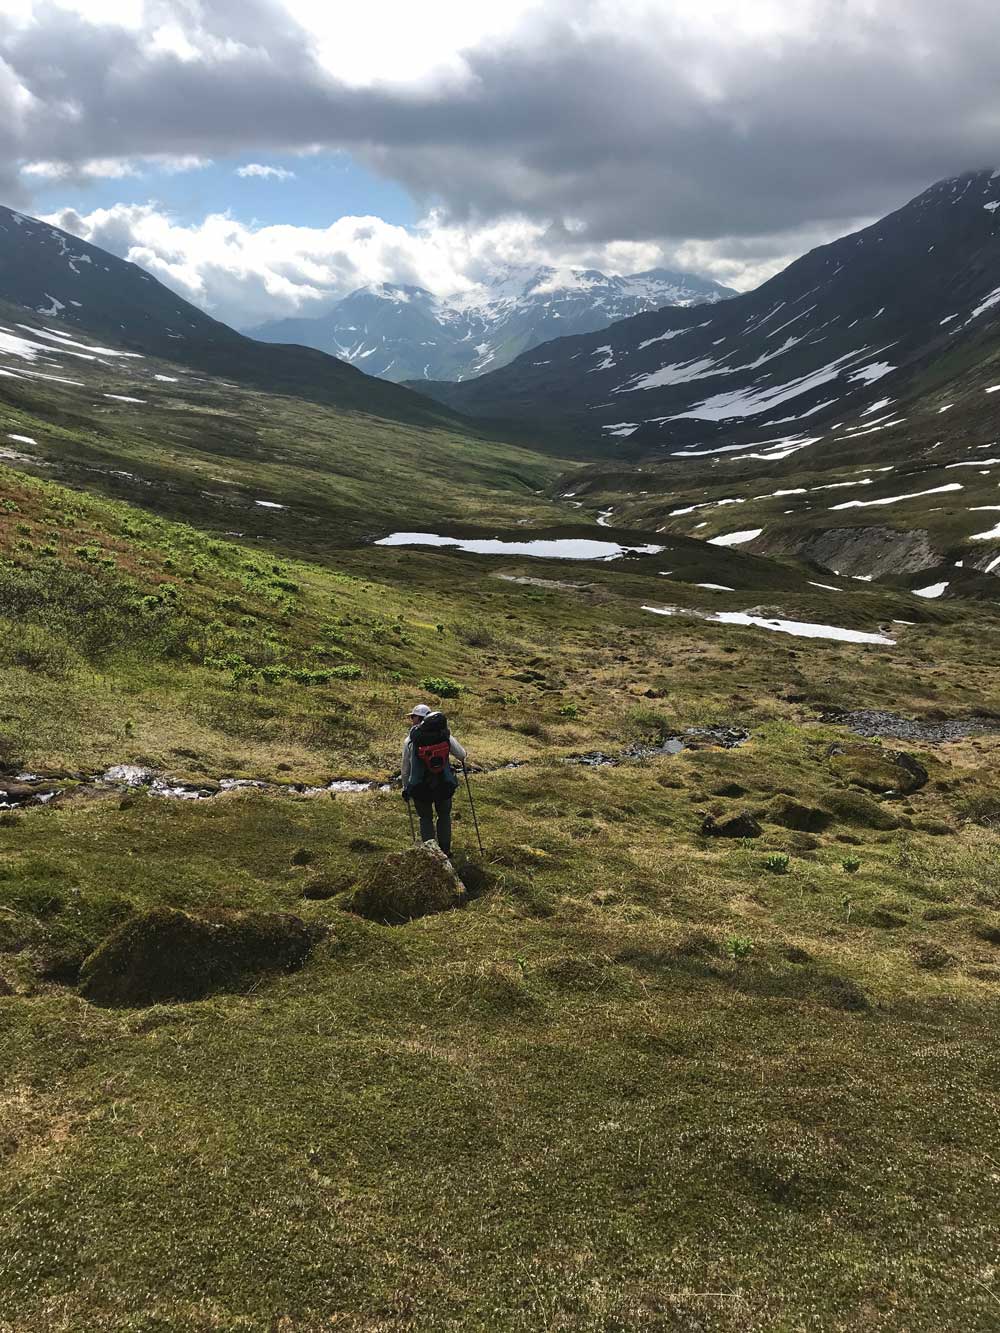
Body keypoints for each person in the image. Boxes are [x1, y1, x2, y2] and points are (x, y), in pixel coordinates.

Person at [401, 704, 467, 856]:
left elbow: (406, 768)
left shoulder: (410, 740)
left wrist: (406, 787)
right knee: (444, 816)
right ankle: (445, 851)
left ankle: (432, 855)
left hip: (420, 787)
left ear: (420, 719)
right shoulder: (444, 736)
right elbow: (462, 755)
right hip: (443, 784)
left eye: (413, 716)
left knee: (425, 818)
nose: (412, 719)